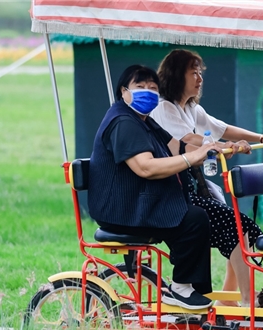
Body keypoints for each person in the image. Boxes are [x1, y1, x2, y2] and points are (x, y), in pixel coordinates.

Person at [151, 49, 263, 308]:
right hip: (172, 191)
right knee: (235, 225)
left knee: (238, 227)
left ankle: (234, 298)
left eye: (200, 72)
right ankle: (245, 300)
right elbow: (191, 140)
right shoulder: (164, 108)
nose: (199, 78)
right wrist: (224, 146)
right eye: (193, 72)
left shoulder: (190, 107)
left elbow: (222, 127)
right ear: (177, 75)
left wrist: (261, 138)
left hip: (190, 186)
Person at [89, 65, 220, 310]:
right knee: (193, 219)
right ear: (124, 91)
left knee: (198, 215)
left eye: (153, 88)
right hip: (122, 209)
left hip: (138, 200)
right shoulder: (123, 123)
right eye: (140, 87)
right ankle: (181, 288)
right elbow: (145, 167)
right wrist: (193, 157)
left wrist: (215, 149)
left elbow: (177, 147)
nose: (147, 93)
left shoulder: (143, 120)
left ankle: (190, 290)